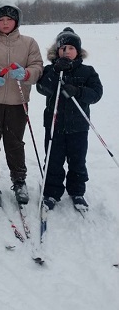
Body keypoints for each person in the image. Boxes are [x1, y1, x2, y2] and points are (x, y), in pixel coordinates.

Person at [0, 1, 43, 205]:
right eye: (0, 20)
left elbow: (38, 67)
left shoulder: (29, 43)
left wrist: (27, 74)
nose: (5, 23)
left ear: (16, 21)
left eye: (9, 19)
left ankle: (19, 180)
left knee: (14, 142)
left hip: (17, 101)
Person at [36, 27, 103, 211]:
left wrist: (79, 91)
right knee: (53, 160)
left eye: (71, 48)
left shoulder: (87, 71)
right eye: (62, 48)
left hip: (79, 126)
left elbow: (97, 93)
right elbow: (42, 88)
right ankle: (51, 192)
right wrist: (56, 71)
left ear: (78, 51)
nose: (66, 51)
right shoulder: (51, 69)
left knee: (77, 160)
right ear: (56, 51)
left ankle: (77, 191)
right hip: (54, 125)